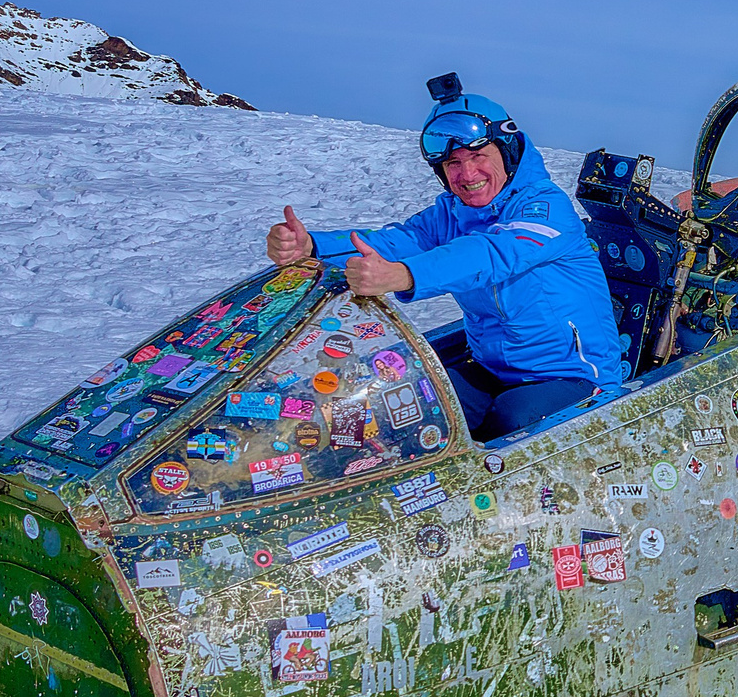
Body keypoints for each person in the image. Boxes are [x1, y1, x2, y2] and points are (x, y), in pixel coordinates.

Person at [266, 74, 625, 442]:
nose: (467, 174)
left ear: (508, 152)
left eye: (478, 156)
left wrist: (405, 275)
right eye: (453, 163)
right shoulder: (452, 213)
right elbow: (398, 240)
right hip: (492, 370)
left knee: (513, 421)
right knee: (406, 408)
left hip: (573, 376)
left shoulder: (545, 207)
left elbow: (489, 253)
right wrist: (311, 246)